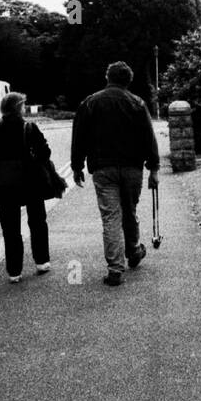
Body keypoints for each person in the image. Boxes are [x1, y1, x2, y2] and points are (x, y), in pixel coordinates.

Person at [70, 61, 160, 286]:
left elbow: (79, 137)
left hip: (103, 168)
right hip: (132, 168)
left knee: (111, 217)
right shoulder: (137, 103)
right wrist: (154, 169)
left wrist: (77, 165)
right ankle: (133, 251)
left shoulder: (89, 103)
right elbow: (149, 138)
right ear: (128, 80)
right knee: (129, 211)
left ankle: (115, 268)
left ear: (107, 77)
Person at [0, 91, 51, 284]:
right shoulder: (30, 128)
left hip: (3, 185)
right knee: (38, 221)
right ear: (19, 107)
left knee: (10, 228)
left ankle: (14, 271)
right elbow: (45, 153)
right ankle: (41, 261)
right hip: (31, 183)